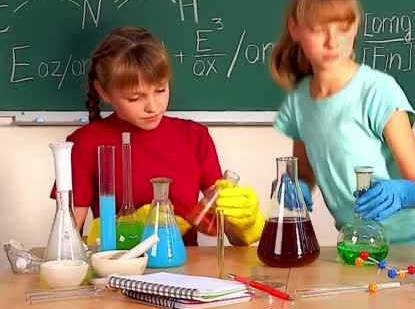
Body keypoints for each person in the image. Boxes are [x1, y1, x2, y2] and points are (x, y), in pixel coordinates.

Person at [51, 26, 264, 247]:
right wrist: (119, 230)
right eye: (135, 98)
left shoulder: (194, 136)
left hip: (183, 271)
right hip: (119, 271)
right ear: (104, 92)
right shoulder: (84, 144)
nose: (153, 107)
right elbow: (66, 243)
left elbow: (222, 229)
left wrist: (244, 224)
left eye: (161, 90)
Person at [271, 0, 415, 244]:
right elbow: (306, 175)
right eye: (319, 29)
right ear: (295, 29)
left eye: (342, 27)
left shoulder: (379, 91)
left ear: (355, 26)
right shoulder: (299, 101)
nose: (332, 41)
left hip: (413, 246)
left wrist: (403, 192)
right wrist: (294, 187)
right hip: (356, 244)